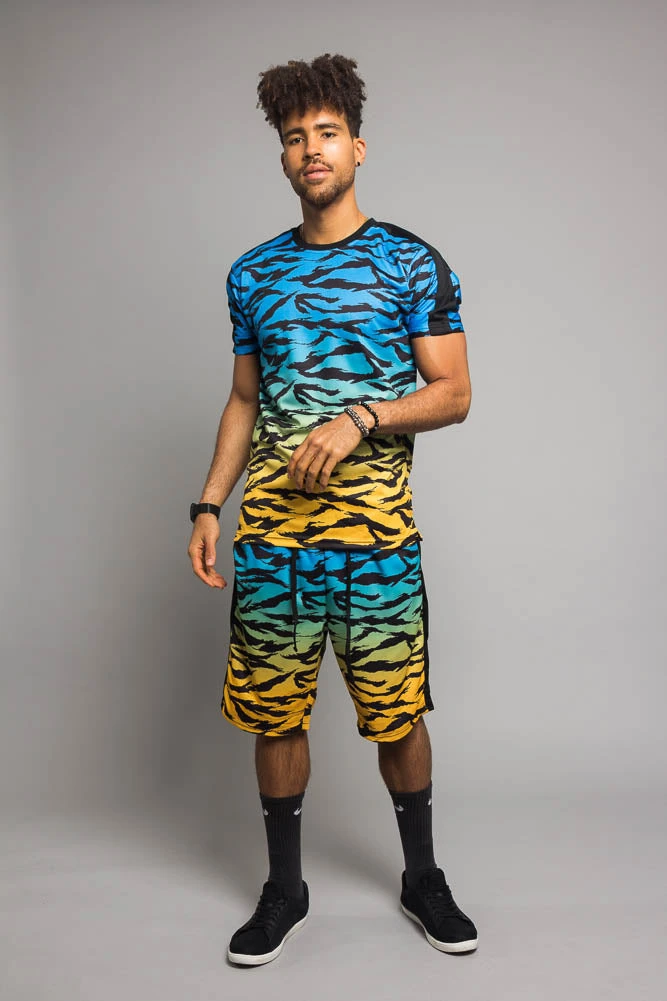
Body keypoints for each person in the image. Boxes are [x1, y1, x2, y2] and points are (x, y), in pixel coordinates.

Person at [187, 53, 477, 966]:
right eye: (293, 138)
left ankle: (422, 876)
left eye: (325, 133)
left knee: (397, 715)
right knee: (275, 716)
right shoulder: (251, 274)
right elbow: (244, 398)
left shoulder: (410, 262)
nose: (310, 149)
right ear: (281, 158)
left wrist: (362, 417)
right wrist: (207, 503)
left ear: (357, 146)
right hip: (273, 542)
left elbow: (455, 392)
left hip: (376, 543)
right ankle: (285, 888)